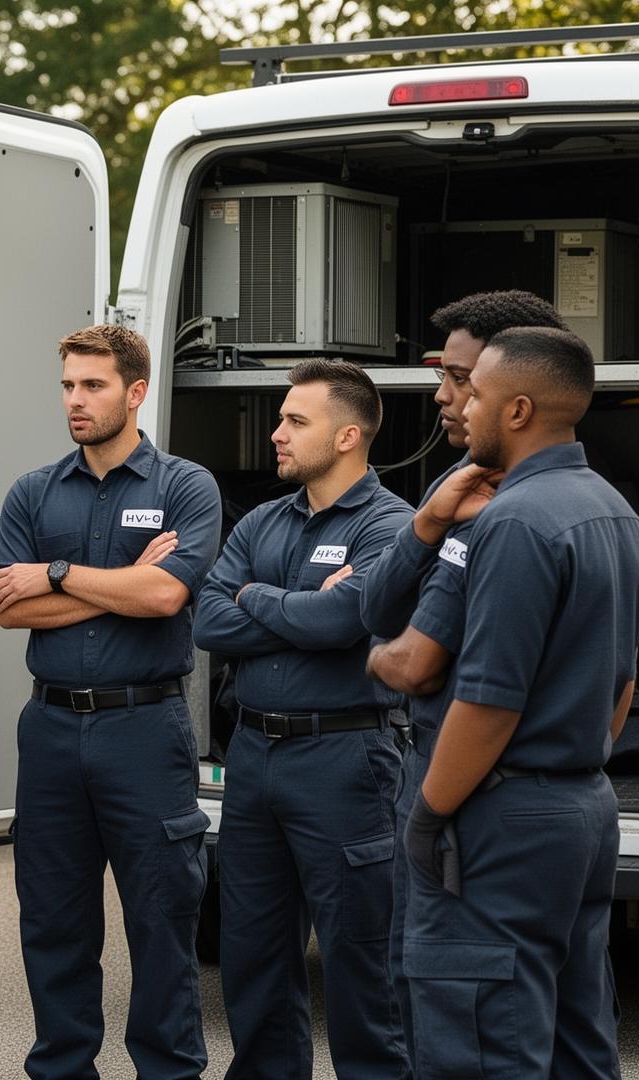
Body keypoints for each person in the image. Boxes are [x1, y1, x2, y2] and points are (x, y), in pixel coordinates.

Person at [400, 326, 639, 1079]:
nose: (461, 406)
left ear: (517, 411)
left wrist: (428, 814)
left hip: (501, 821)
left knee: (484, 1045)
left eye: (475, 393)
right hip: (583, 807)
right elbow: (623, 685)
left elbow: (488, 705)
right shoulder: (614, 510)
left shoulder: (513, 522)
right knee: (578, 1039)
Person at [0, 324, 222, 1080]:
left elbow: (166, 596)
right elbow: (10, 608)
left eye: (93, 385)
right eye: (68, 385)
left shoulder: (185, 486)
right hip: (50, 728)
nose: (75, 400)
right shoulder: (33, 491)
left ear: (136, 391)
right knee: (52, 918)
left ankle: (168, 1069)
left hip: (145, 727)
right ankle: (63, 1067)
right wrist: (121, 583)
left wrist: (55, 573)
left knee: (161, 916)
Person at [358, 290, 569, 1059]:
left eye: (461, 381)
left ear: (513, 395)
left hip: (470, 800)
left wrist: (371, 657)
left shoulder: (498, 513)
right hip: (561, 801)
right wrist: (426, 520)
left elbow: (412, 660)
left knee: (455, 1019)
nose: (445, 398)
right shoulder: (560, 498)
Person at [193, 359, 413, 1080]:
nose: (276, 434)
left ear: (347, 436)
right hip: (254, 756)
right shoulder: (263, 519)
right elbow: (208, 621)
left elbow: (344, 620)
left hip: (345, 760)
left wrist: (257, 596)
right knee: (252, 951)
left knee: (359, 955)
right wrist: (301, 608)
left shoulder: (392, 525)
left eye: (295, 421)